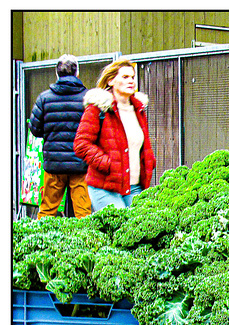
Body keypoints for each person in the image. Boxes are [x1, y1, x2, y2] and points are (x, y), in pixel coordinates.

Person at [74, 58, 156, 211]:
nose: (131, 81)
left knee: (140, 230)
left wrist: (150, 161)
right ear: (111, 80)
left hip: (135, 187)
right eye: (125, 77)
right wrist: (108, 163)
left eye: (132, 77)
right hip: (105, 187)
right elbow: (81, 144)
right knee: (120, 229)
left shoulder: (138, 110)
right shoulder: (98, 108)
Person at [28, 54, 92, 219]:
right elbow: (94, 130)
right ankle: (84, 243)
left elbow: (35, 129)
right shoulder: (88, 99)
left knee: (48, 211)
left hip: (54, 165)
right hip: (81, 165)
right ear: (78, 73)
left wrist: (52, 135)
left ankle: (41, 242)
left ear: (57, 74)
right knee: (83, 214)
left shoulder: (44, 98)